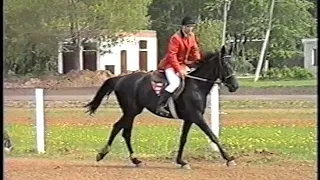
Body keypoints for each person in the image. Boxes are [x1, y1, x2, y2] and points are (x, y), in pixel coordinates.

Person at [156, 16, 201, 116]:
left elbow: (195, 49)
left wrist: (198, 59)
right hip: (170, 65)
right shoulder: (175, 38)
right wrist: (179, 70)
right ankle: (161, 105)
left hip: (182, 64)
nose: (190, 29)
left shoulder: (191, 36)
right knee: (174, 83)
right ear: (182, 26)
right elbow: (172, 56)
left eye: (191, 27)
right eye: (188, 26)